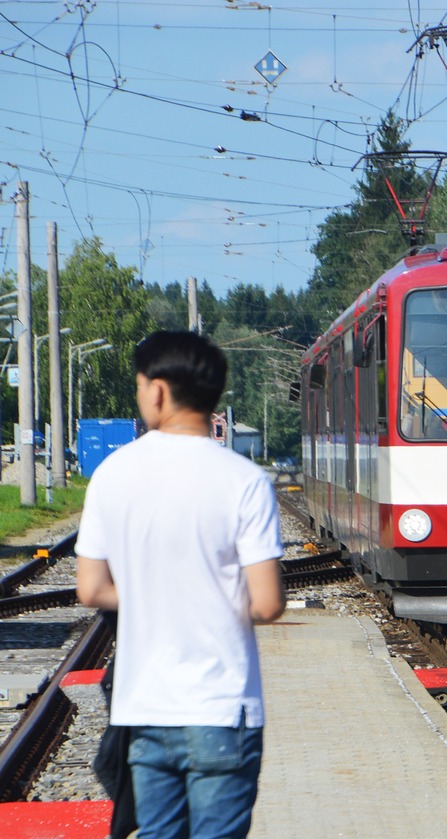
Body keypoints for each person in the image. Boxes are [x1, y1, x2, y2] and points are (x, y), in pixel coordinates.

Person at [76, 330, 285, 839]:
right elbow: (267, 604)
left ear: (159, 391)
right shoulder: (246, 481)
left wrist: (153, 596)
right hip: (223, 707)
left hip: (144, 705)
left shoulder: (111, 474)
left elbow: (92, 589)